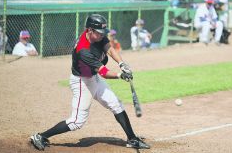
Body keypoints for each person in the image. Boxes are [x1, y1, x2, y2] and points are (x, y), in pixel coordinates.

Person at [30, 14, 150, 151]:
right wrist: (120, 75)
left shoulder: (97, 35)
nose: (101, 36)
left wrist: (122, 64)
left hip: (93, 78)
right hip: (82, 83)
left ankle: (132, 139)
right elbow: (104, 72)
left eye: (102, 33)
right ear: (90, 30)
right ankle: (40, 136)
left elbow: (109, 49)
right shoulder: (83, 50)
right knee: (77, 121)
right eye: (99, 33)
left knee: (116, 104)